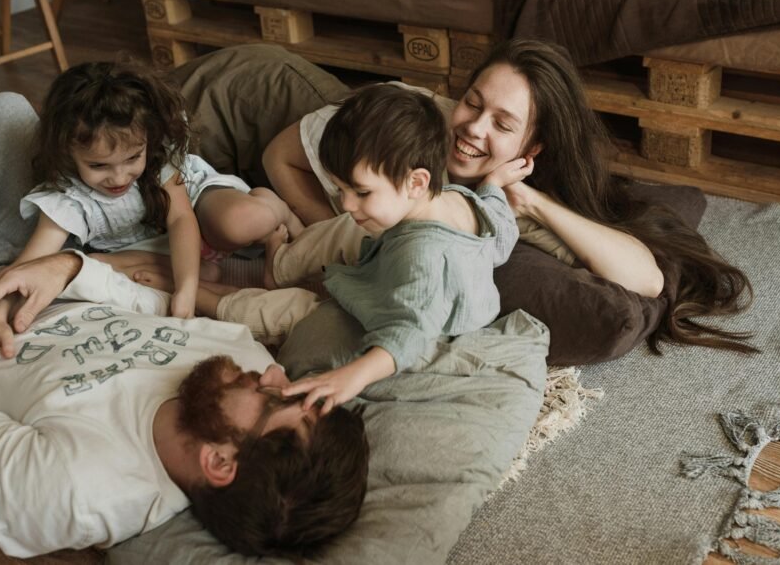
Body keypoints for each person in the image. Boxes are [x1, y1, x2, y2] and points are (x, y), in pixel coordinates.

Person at [0, 80, 369, 559]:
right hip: (45, 270)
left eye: (276, 399)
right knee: (11, 111)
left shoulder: (78, 491)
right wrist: (64, 268)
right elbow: (152, 307)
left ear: (220, 461)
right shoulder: (237, 364)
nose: (278, 373)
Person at [261, 39, 754, 353]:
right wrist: (329, 220)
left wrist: (532, 201)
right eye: (473, 103)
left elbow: (645, 279)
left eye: (502, 123)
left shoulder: (506, 201)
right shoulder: (400, 126)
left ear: (531, 148)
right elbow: (277, 157)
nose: (473, 128)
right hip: (262, 79)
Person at [0, 60, 303, 391]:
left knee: (243, 223)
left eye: (131, 159)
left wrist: (184, 292)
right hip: (153, 244)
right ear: (67, 152)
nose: (119, 177)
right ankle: (207, 276)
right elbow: (32, 265)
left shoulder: (157, 160)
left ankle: (275, 207)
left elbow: (181, 218)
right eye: (98, 165)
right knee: (84, 269)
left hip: (199, 207)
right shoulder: (66, 197)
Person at [194, 85, 521, 411]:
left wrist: (351, 376)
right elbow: (501, 231)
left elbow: (411, 333)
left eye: (362, 192)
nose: (346, 202)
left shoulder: (424, 259)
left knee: (299, 310)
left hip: (414, 334)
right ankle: (279, 266)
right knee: (348, 228)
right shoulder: (459, 199)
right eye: (341, 189)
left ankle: (200, 295)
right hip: (392, 271)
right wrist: (492, 185)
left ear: (416, 182)